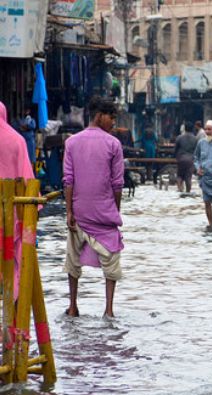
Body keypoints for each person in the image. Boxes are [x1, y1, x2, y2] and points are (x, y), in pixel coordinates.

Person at [62, 96, 125, 319]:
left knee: (73, 261)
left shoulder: (71, 142)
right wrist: (115, 210)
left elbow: (68, 180)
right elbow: (117, 184)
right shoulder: (113, 144)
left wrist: (69, 211)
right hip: (104, 215)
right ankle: (108, 309)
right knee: (111, 265)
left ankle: (72, 306)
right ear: (100, 116)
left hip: (78, 213)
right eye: (112, 117)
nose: (113, 123)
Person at [0, 101, 36, 301]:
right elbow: (27, 178)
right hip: (11, 214)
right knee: (14, 264)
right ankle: (13, 321)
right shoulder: (17, 140)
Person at [174, 121, 198, 193]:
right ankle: (188, 192)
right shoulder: (195, 139)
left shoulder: (179, 137)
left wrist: (176, 157)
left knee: (179, 175)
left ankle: (180, 190)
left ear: (185, 128)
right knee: (188, 177)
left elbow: (175, 149)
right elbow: (197, 151)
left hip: (181, 159)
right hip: (191, 160)